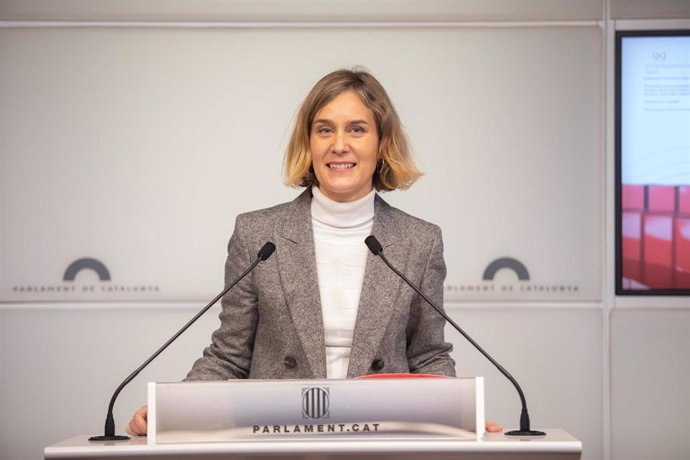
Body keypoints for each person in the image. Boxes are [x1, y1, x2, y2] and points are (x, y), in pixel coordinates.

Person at [127, 68, 501, 436]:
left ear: (382, 142)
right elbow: (229, 355)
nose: (339, 144)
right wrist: (171, 412)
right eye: (325, 130)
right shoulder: (258, 234)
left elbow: (427, 356)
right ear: (309, 143)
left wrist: (459, 415)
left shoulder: (420, 241)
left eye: (357, 129)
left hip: (379, 441)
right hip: (276, 440)